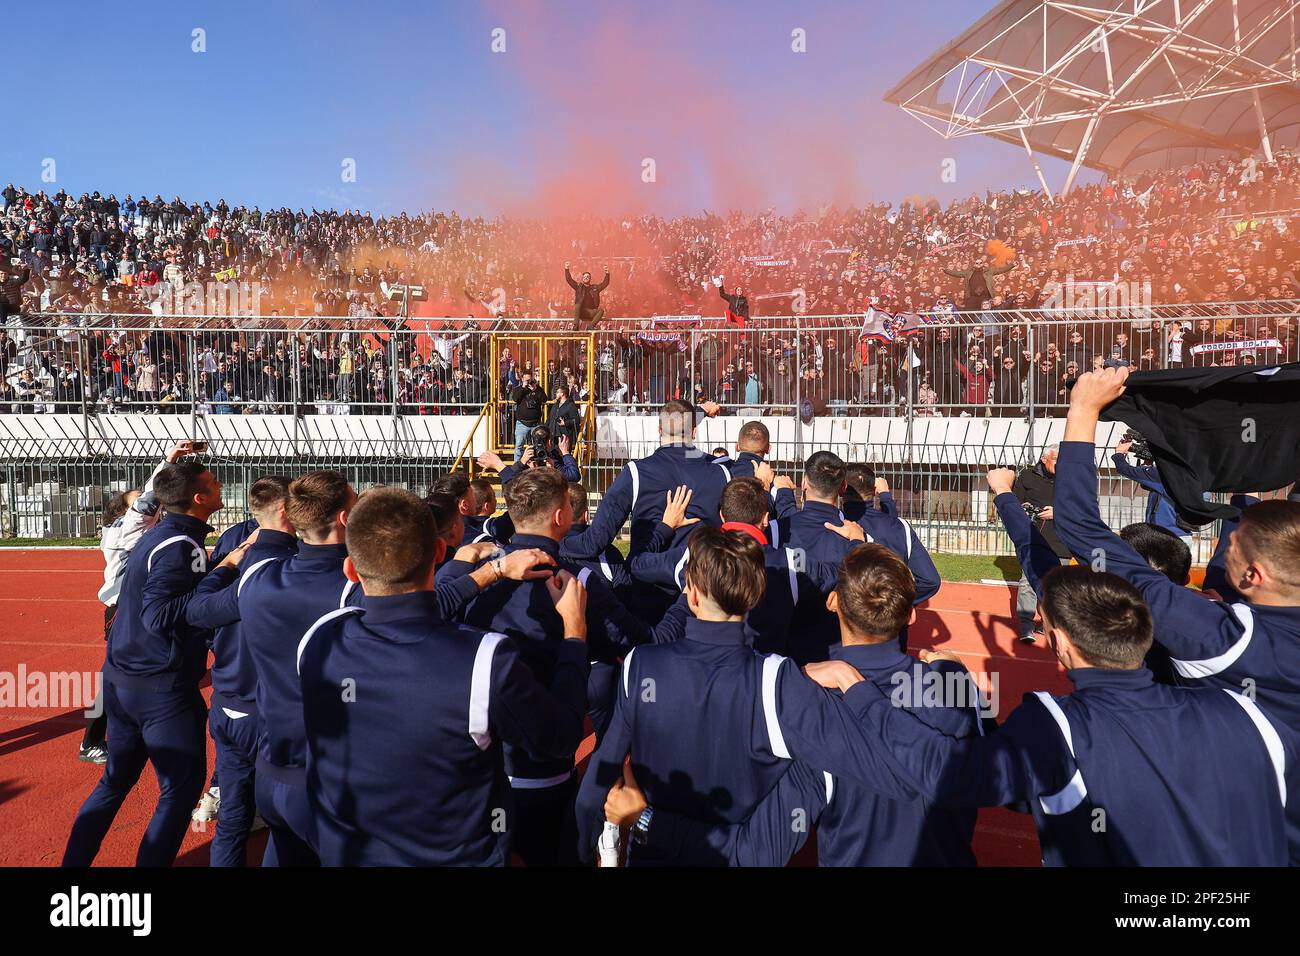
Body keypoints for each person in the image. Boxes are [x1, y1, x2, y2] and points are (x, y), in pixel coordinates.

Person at [803, 564, 1297, 866]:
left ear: (1060, 643)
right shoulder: (1249, 713)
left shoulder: (1054, 727)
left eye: (1041, 627)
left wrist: (856, 689)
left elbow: (956, 774)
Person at [603, 545, 982, 867]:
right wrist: (953, 675)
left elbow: (753, 854)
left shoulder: (814, 706)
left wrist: (645, 820)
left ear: (833, 602)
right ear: (911, 614)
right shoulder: (961, 693)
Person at [298, 487, 590, 866]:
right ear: (439, 553)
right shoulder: (484, 660)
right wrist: (574, 634)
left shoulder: (321, 637)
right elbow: (562, 737)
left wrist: (489, 570)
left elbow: (399, 610)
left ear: (350, 569)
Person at [438, 468, 687, 864]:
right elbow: (645, 644)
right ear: (560, 517)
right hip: (544, 775)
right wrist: (688, 597)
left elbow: (427, 613)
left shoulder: (479, 574)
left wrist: (462, 565)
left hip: (477, 774)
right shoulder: (578, 580)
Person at [1054, 367, 1300, 742]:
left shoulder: (1219, 636)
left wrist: (1083, 410)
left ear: (1254, 575)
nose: (1225, 543)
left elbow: (1080, 527)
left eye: (1232, 545)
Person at [64, 459, 225, 866]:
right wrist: (223, 575)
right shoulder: (178, 545)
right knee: (180, 792)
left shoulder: (159, 536)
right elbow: (160, 615)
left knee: (115, 782)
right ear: (199, 497)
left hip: (125, 682)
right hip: (160, 688)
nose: (221, 483)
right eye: (212, 480)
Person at [236, 470, 358, 866]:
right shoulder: (352, 590)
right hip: (325, 776)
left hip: (272, 769)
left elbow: (200, 611)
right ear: (343, 519)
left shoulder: (257, 576)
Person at [184, 477, 298, 865]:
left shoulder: (237, 548)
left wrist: (224, 566)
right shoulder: (288, 564)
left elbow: (200, 609)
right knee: (287, 819)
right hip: (263, 708)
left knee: (235, 819)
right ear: (285, 511)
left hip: (227, 701)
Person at [84, 440, 195, 764]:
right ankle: (91, 740)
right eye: (137, 506)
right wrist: (169, 460)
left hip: (130, 605)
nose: (154, 512)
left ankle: (136, 730)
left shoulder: (135, 530)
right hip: (121, 607)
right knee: (114, 674)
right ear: (124, 512)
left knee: (131, 671)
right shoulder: (124, 529)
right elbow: (150, 497)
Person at [559, 399, 727, 560]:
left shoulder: (636, 473)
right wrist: (700, 412)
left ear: (660, 430)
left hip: (649, 583)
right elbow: (750, 453)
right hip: (704, 583)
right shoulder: (723, 473)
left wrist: (548, 544)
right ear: (694, 432)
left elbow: (593, 543)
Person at [1012, 445, 1070, 643]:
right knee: (1028, 581)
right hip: (1035, 538)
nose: (1061, 465)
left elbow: (1083, 508)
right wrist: (1025, 508)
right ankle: (1026, 625)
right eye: (1057, 461)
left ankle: (1052, 625)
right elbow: (1014, 503)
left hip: (1062, 541)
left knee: (1057, 586)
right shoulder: (1027, 476)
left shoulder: (1070, 479)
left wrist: (1059, 512)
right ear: (1045, 459)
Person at [1110, 436, 1193, 544]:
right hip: (1183, 535)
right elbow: (1147, 484)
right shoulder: (1188, 474)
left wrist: (1119, 454)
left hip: (1165, 537)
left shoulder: (1162, 474)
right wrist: (1148, 462)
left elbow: (1125, 470)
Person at [510, 370, 545, 463]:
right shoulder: (518, 389)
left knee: (538, 445)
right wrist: (523, 387)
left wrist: (535, 390)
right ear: (522, 379)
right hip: (522, 423)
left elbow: (544, 399)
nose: (529, 382)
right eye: (526, 380)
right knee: (519, 446)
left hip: (536, 423)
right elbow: (515, 399)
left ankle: (537, 465)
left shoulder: (538, 389)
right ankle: (517, 466)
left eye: (530, 380)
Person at [565, 262, 610, 330]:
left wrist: (607, 273)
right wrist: (567, 269)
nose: (586, 278)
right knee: (577, 305)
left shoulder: (595, 288)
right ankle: (575, 326)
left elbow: (605, 283)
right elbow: (569, 280)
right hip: (581, 311)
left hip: (590, 312)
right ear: (582, 278)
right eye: (585, 277)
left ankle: (591, 326)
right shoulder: (578, 286)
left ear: (590, 278)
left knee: (601, 310)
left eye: (588, 277)